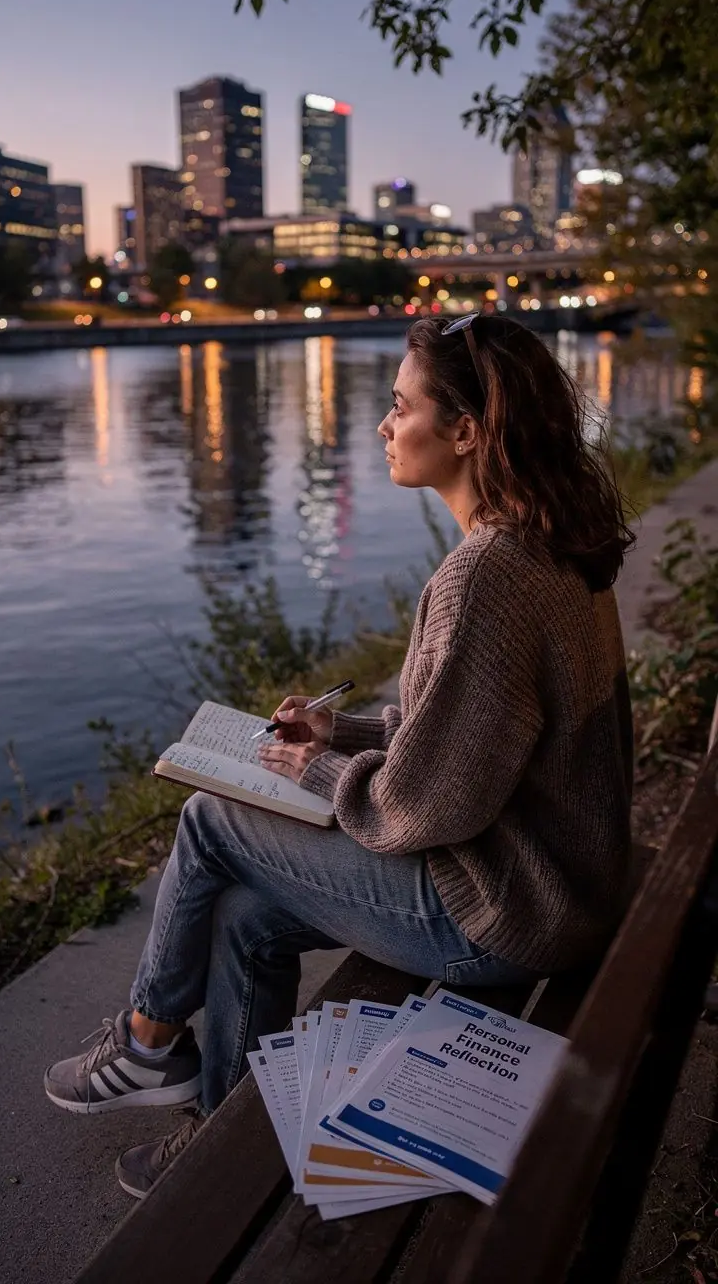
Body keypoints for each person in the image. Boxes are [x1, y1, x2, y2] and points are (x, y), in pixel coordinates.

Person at [44, 312, 635, 1199]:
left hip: (508, 913)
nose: (384, 428)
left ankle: (144, 1041)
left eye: (401, 408)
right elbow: (478, 736)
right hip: (558, 884)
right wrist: (344, 734)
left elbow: (423, 810)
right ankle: (215, 1137)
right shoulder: (545, 542)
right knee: (244, 914)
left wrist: (311, 772)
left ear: (468, 432)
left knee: (210, 818)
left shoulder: (486, 577)